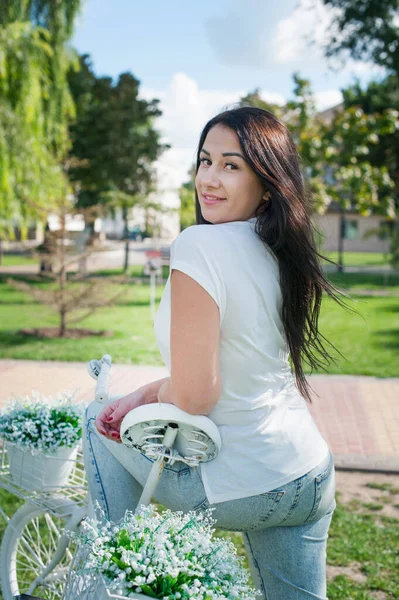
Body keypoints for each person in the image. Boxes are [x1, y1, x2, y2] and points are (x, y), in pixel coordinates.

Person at [83, 105, 349, 600]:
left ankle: (108, 580)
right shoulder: (279, 249)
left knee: (96, 420)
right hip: (307, 474)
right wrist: (145, 393)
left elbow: (195, 395)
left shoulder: (199, 246)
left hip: (237, 482)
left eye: (232, 165)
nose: (209, 178)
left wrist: (137, 399)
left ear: (267, 183)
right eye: (205, 161)